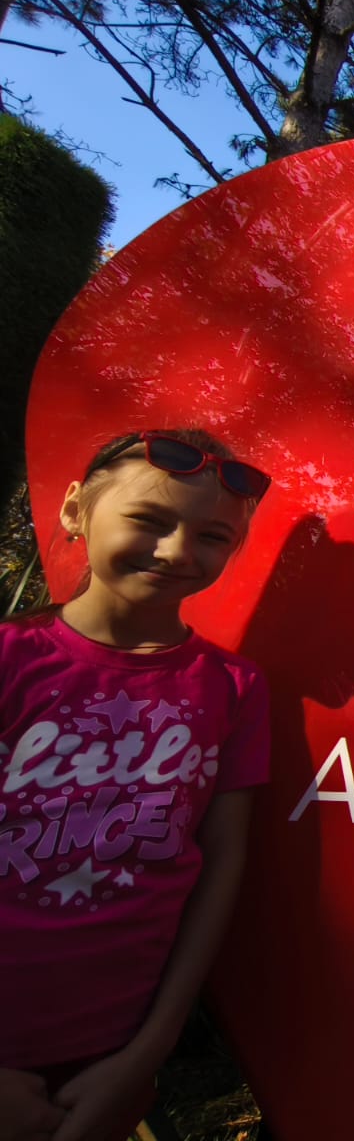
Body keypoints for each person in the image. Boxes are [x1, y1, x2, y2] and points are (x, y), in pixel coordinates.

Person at [0, 429, 273, 1141]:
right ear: (74, 510)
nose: (178, 552)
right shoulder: (10, 659)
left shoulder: (234, 688)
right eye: (149, 520)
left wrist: (145, 1054)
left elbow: (221, 865)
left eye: (212, 536)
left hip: (111, 1057)